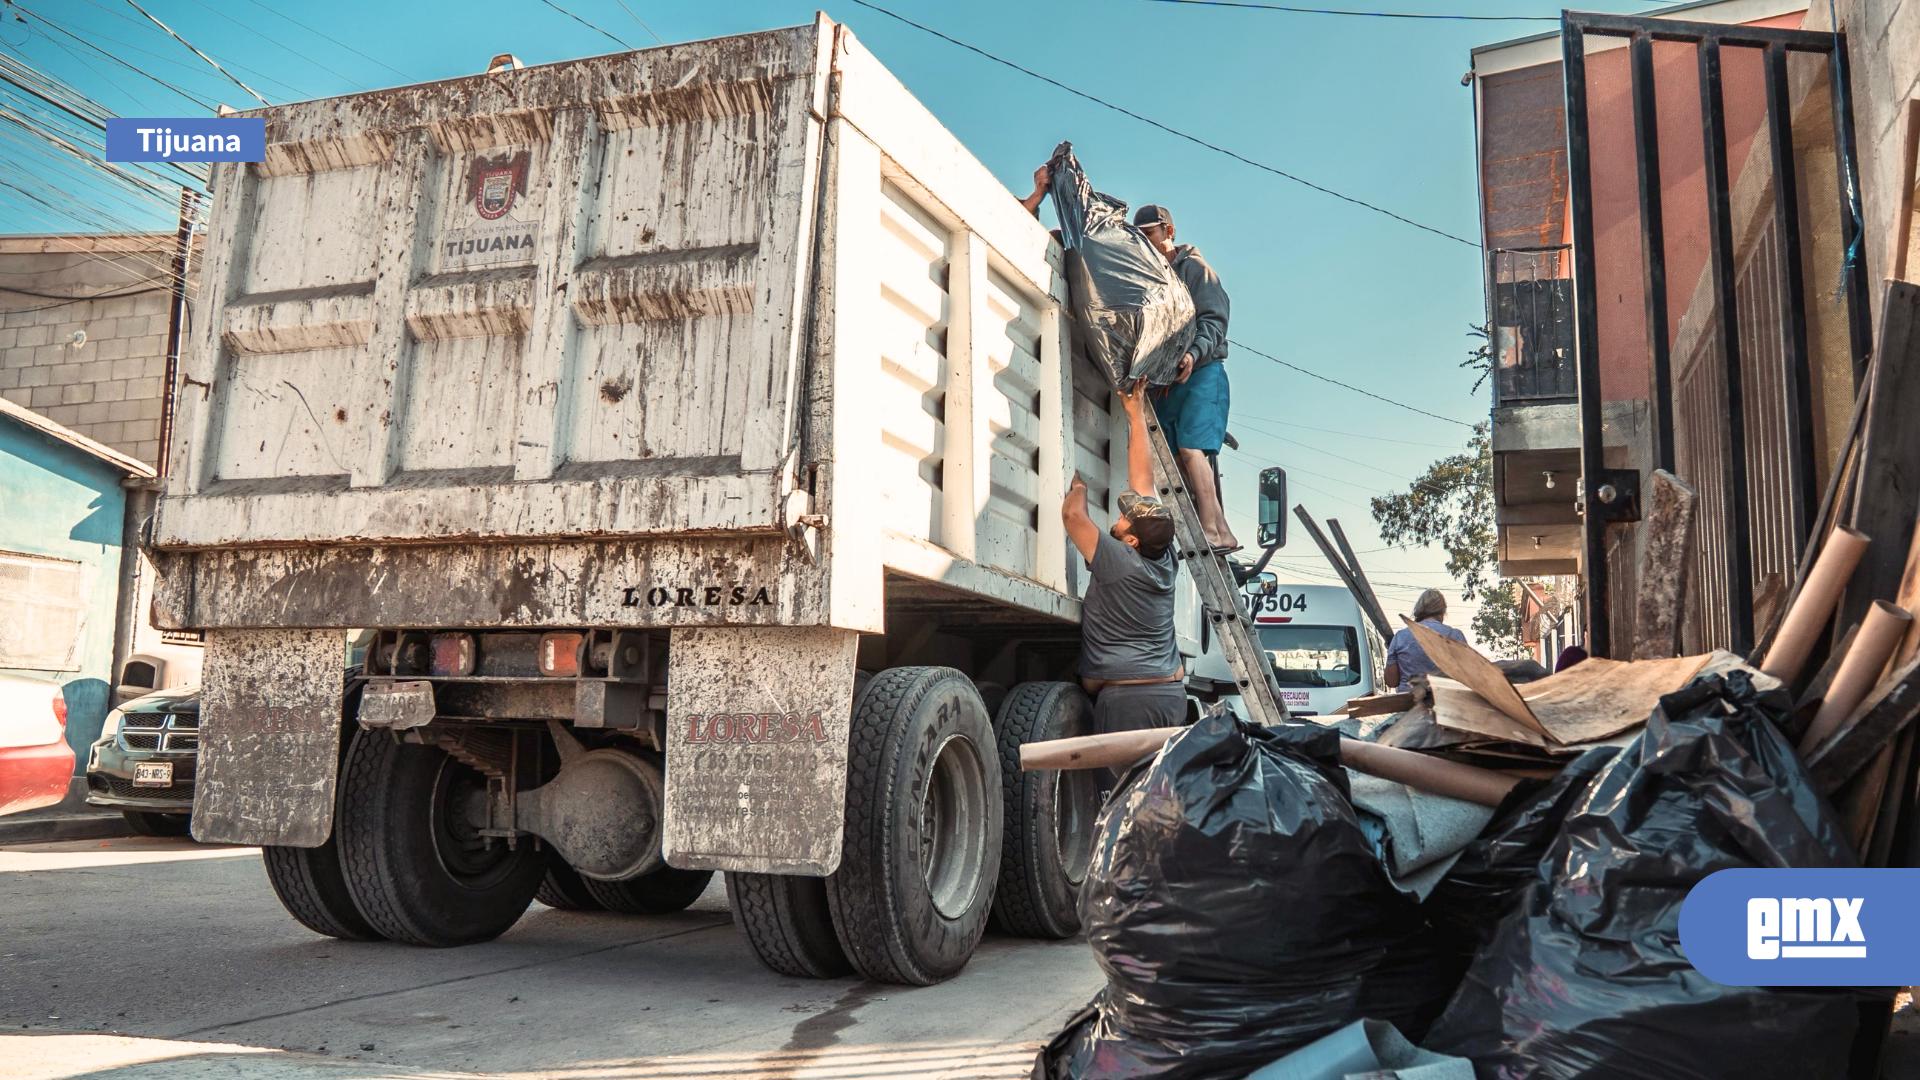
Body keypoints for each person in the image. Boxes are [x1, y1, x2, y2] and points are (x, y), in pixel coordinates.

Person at [1062, 378, 1186, 739]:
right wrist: (1135, 415)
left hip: (1131, 702)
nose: (1117, 517)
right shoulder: (1164, 556)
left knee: (1122, 791)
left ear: (1130, 539)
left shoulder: (1120, 561)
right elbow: (1144, 482)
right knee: (1157, 790)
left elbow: (1073, 519)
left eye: (1122, 517)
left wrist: (1079, 487)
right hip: (1169, 694)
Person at [1134, 204, 1239, 554]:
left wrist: (1193, 353)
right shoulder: (1150, 274)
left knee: (1193, 450)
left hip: (1202, 371)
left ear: (1169, 230)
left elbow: (1214, 320)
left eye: (1150, 234)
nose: (1146, 242)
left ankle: (1210, 530)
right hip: (1167, 383)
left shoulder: (1194, 268)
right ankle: (1222, 532)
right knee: (1176, 459)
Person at [1382, 588, 1470, 693]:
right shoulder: (1456, 636)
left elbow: (1391, 682)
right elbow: (1468, 677)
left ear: (1419, 609)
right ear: (1442, 612)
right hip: (1447, 703)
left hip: (1408, 705)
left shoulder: (1400, 637)